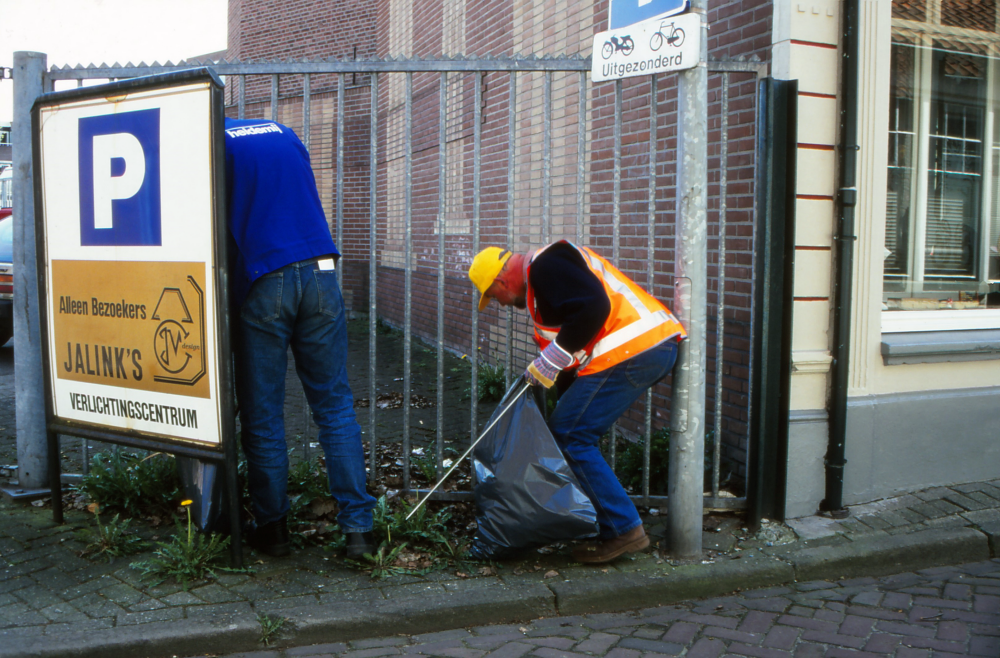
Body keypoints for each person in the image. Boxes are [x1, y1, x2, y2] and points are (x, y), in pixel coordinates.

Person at [468, 241, 685, 563]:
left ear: (501, 281)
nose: (499, 303)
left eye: (493, 296)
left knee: (570, 436)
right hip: (640, 350)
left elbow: (592, 309)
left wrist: (553, 357)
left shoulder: (545, 265)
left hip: (634, 351)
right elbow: (577, 342)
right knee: (569, 432)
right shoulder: (543, 282)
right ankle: (615, 524)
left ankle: (624, 529)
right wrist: (556, 378)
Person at [224, 117, 375, 558]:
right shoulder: (281, 131)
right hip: (321, 270)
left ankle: (272, 529)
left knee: (264, 413)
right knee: (334, 405)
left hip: (265, 277)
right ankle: (359, 532)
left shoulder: (215, 143)